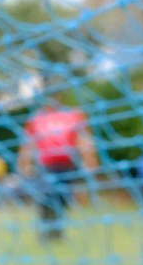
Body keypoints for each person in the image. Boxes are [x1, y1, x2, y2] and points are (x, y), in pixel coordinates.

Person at [17, 99, 97, 242]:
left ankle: (57, 232)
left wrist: (90, 161)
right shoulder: (36, 118)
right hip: (45, 166)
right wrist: (24, 165)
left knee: (61, 199)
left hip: (67, 165)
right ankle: (47, 232)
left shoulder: (73, 115)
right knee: (46, 198)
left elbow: (84, 140)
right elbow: (28, 144)